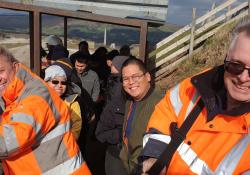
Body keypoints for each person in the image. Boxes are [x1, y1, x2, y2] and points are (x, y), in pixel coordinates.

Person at [141, 19, 250, 174]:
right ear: (226, 58)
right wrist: (154, 157)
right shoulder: (196, 86)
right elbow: (166, 111)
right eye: (236, 65)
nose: (243, 77)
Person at [0, 46, 91, 174]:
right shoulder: (12, 96)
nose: (59, 86)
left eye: (1, 70)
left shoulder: (37, 96)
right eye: (55, 82)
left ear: (15, 67)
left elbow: (9, 141)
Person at [119, 58, 164, 174]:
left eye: (136, 76)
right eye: (125, 79)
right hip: (130, 167)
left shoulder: (161, 104)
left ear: (148, 77)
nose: (131, 82)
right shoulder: (130, 101)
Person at [95, 56, 129, 175]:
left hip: (116, 140)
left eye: (113, 64)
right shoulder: (115, 80)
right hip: (112, 132)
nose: (110, 65)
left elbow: (115, 107)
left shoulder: (121, 84)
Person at [44, 64, 82, 140]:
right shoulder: (38, 99)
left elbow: (76, 125)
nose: (60, 85)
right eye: (55, 82)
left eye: (63, 83)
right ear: (46, 83)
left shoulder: (72, 103)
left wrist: (68, 143)